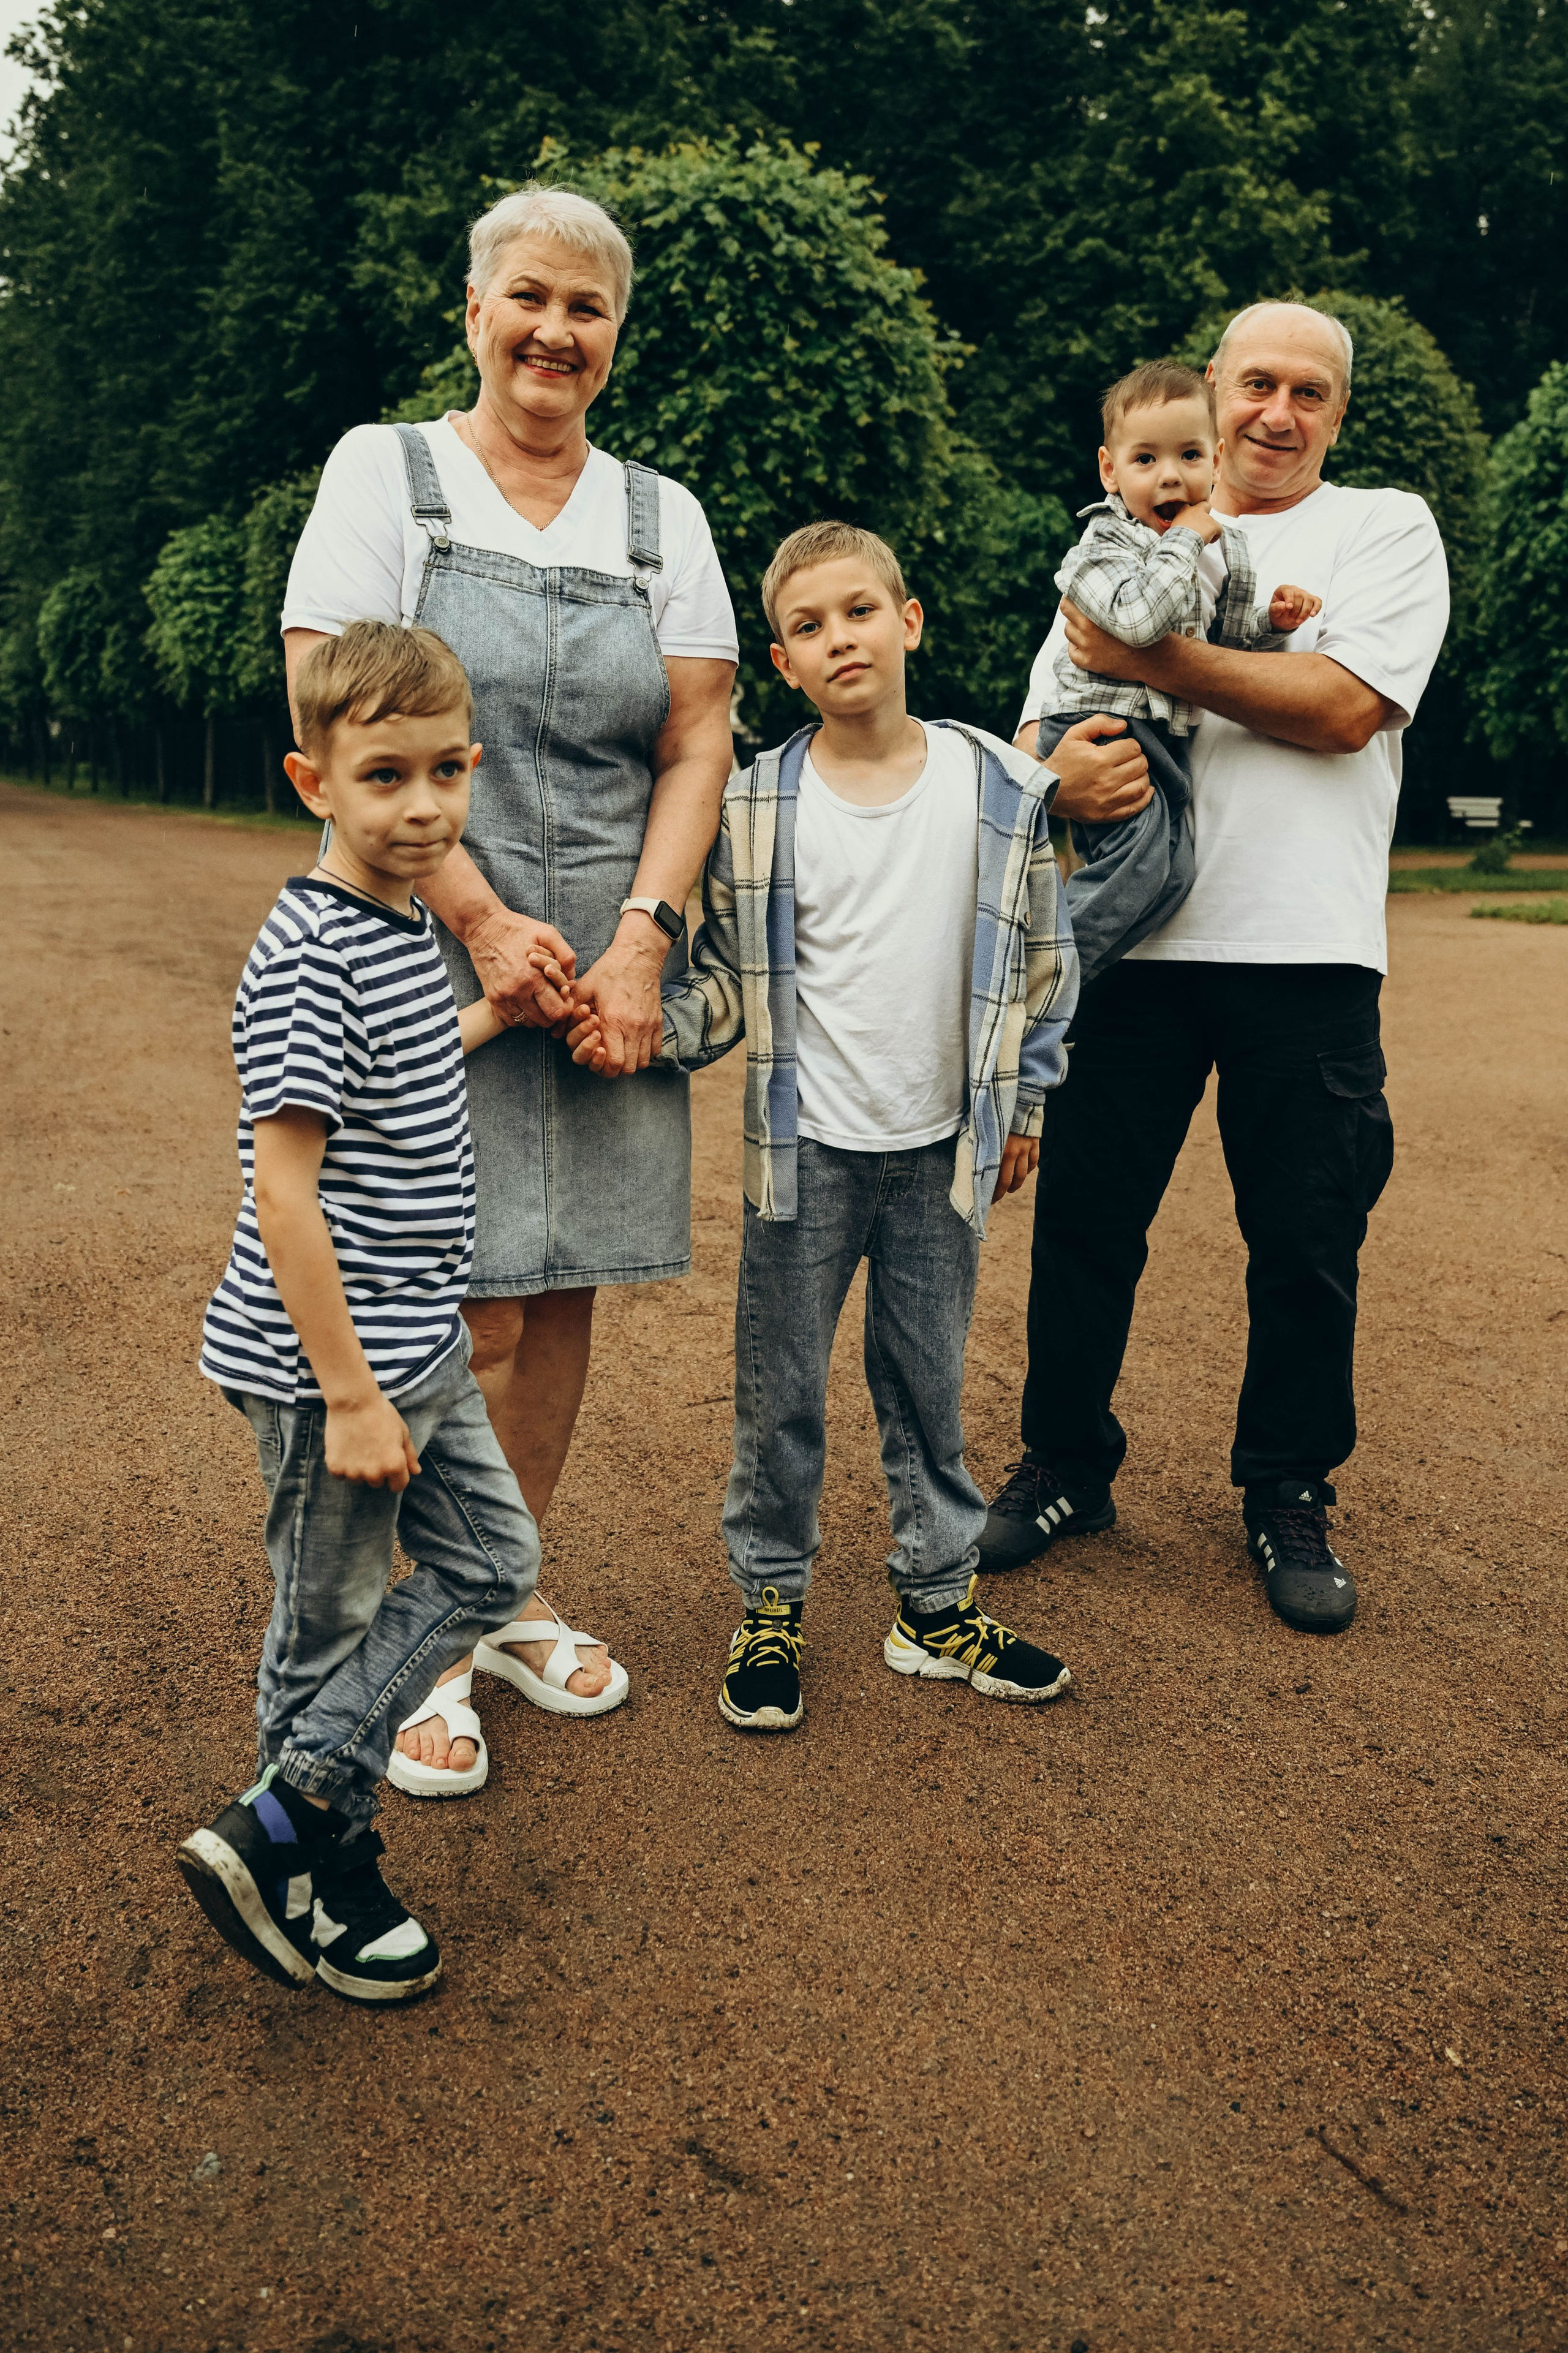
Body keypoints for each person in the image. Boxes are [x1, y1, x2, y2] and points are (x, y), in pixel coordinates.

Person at [281, 184, 737, 1792]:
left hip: (617, 937)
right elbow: (331, 708)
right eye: (528, 298)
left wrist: (641, 941)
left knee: (561, 1288)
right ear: (473, 310)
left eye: (590, 307)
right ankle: (413, 1625)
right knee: (451, 1297)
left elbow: (694, 743)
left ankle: (505, 1587)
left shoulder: (659, 515)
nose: (556, 332)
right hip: (428, 934)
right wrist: (472, 919)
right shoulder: (381, 473)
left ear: (618, 333)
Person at [981, 300, 1450, 1636]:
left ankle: (1285, 1486)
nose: (1274, 412)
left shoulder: (1379, 528)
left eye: (1307, 391)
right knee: (1083, 1226)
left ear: (1334, 415)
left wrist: (1150, 659)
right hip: (1130, 943)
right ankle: (1066, 1461)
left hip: (1303, 946)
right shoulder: (1124, 531)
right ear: (1212, 389)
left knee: (1305, 1239)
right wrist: (1057, 771)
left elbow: (1344, 707)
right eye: (1255, 382)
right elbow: (1039, 726)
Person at [630, 521, 1091, 1731]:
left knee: (925, 1390)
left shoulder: (998, 785)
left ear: (908, 620)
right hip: (806, 1159)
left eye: (857, 612)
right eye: (808, 626)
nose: (839, 639)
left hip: (943, 1149)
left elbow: (1044, 959)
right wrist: (644, 1020)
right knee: (777, 1396)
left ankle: (935, 1605)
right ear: (781, 661)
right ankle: (769, 1602)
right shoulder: (754, 800)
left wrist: (1026, 1098)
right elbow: (724, 986)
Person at [179, 623, 540, 2003]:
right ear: (311, 780)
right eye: (384, 775)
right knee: (321, 1626)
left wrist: (486, 1023)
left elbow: (390, 1078)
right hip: (328, 1369)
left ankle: (287, 1811)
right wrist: (344, 1393)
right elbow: (284, 1191)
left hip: (419, 1347)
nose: (424, 805)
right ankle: (321, 1872)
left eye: (446, 770)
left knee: (497, 1566)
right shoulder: (312, 950)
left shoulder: (394, 930)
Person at [1040, 358, 1321, 987]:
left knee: (1170, 878)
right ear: (1110, 470)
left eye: (1189, 456)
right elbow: (1140, 625)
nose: (1170, 476)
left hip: (1161, 734)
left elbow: (1220, 652)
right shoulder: (1099, 547)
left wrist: (1272, 623)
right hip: (1098, 726)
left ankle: (1070, 988)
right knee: (1136, 865)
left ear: (1216, 461)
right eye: (1145, 461)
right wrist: (1188, 541)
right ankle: (1033, 974)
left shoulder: (1227, 552)